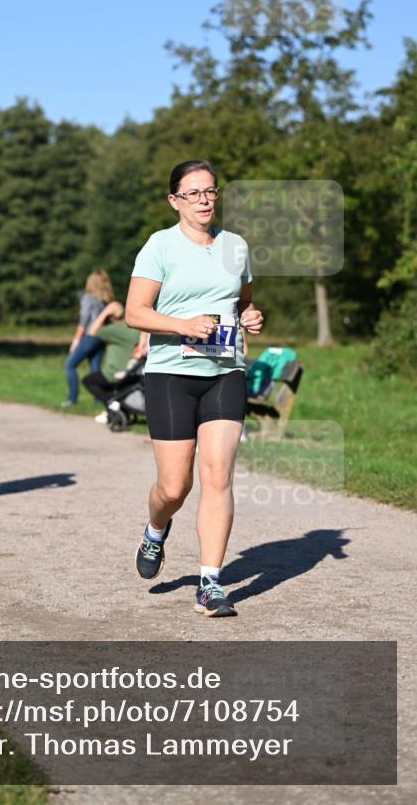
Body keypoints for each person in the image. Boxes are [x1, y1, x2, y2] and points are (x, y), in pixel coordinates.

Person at [125, 159, 263, 619]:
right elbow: (135, 312)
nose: (204, 200)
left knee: (218, 476)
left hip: (225, 371)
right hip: (170, 374)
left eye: (210, 191)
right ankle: (155, 528)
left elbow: (243, 301)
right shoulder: (159, 246)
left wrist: (250, 316)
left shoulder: (236, 246)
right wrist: (184, 325)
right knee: (174, 486)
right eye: (194, 193)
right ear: (175, 200)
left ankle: (210, 583)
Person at [81, 302, 142, 423]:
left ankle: (112, 402)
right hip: (132, 370)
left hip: (114, 371)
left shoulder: (114, 329)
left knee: (88, 381)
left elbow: (91, 332)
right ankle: (114, 407)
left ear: (111, 317)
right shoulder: (134, 327)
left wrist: (104, 313)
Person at [62, 269, 115, 407]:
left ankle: (72, 399)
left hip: (90, 336)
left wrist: (76, 340)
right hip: (101, 337)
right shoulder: (105, 300)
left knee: (69, 365)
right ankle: (99, 400)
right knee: (95, 367)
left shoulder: (88, 298)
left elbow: (83, 321)